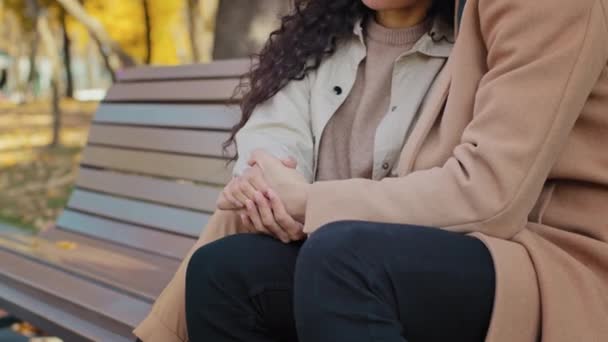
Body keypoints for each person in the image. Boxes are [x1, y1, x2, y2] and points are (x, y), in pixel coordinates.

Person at [187, 0, 608, 340]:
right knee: (226, 271)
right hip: (483, 243)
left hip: (555, 263)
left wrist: (308, 202)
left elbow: (492, 196)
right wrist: (270, 187)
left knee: (344, 257)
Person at [133, 0, 454, 341]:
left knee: (237, 258)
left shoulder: (469, 53)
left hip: (401, 269)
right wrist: (269, 188)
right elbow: (273, 135)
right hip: (310, 246)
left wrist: (307, 201)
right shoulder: (320, 39)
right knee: (220, 263)